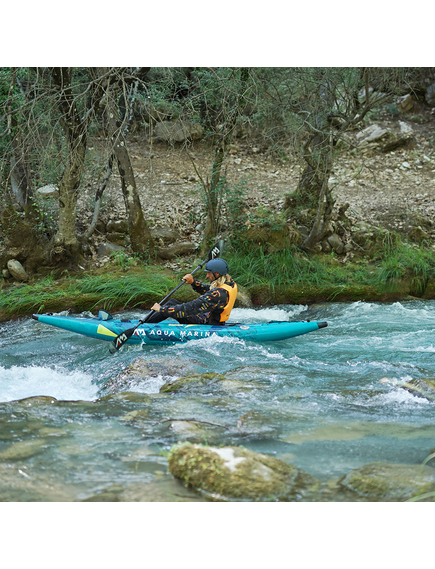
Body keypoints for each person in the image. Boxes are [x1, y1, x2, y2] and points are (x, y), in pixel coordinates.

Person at [147, 258, 237, 326]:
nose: (207, 275)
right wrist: (193, 282)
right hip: (213, 320)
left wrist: (161, 309)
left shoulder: (217, 295)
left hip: (206, 323)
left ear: (217, 273)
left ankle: (144, 326)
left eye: (209, 272)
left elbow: (189, 308)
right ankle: (147, 322)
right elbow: (208, 289)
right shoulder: (229, 284)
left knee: (170, 306)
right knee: (172, 302)